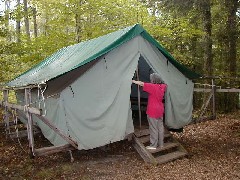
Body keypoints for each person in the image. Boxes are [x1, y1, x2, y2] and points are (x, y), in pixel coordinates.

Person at [132, 73, 167, 150]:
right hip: (160, 110)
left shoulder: (152, 87)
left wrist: (132, 81)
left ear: (153, 80)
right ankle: (161, 144)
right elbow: (165, 84)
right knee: (160, 128)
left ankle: (153, 145)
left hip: (153, 110)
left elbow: (141, 83)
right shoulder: (163, 86)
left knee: (153, 128)